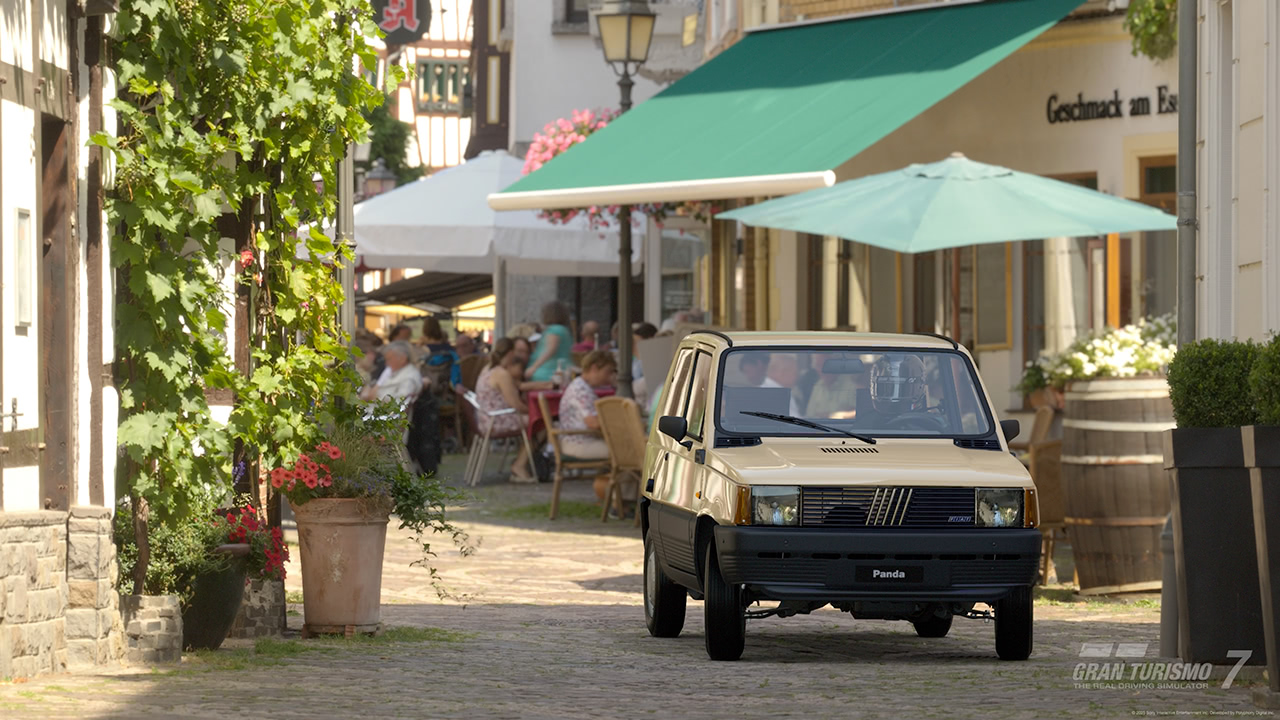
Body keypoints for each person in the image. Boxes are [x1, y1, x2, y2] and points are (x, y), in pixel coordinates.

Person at [475, 340, 536, 482]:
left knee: (536, 421)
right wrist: (533, 412)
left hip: (485, 419)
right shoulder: (502, 374)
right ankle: (519, 465)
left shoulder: (488, 369)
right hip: (497, 421)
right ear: (510, 353)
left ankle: (521, 462)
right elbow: (516, 405)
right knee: (539, 422)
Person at [556, 350, 618, 460]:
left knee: (625, 447)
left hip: (577, 440)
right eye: (607, 372)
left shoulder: (581, 386)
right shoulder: (581, 391)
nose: (609, 377)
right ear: (594, 368)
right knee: (627, 450)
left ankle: (609, 475)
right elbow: (593, 423)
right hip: (579, 443)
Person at [738, 353, 802, 417]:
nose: (797, 376)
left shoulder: (766, 391)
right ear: (783, 372)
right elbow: (796, 423)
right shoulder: (777, 395)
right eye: (795, 372)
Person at [525, 301, 573, 383]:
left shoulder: (554, 330)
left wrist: (534, 367)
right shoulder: (565, 330)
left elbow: (550, 349)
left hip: (548, 372)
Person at [804, 353, 860, 420]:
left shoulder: (851, 385)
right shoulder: (817, 387)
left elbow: (861, 412)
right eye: (818, 366)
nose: (822, 369)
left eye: (825, 365)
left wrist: (843, 415)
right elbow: (810, 416)